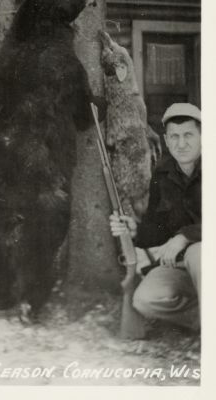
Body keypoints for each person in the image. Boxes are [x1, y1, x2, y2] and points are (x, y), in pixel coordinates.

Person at [110, 103, 201, 331]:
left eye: (188, 135)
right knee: (145, 299)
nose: (181, 144)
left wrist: (184, 237)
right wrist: (135, 230)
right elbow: (157, 229)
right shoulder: (162, 175)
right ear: (167, 141)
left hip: (204, 258)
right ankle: (202, 321)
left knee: (198, 252)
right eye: (175, 137)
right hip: (178, 265)